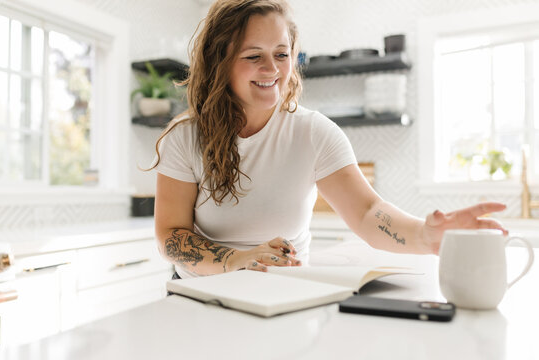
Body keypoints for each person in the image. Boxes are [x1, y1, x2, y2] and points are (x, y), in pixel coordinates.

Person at [150, 0, 507, 279]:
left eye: (281, 54)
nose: (272, 70)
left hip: (283, 296)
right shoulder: (185, 138)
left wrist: (423, 237)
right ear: (220, 62)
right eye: (253, 56)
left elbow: (368, 212)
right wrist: (238, 259)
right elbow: (171, 234)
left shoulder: (313, 132)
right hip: (199, 297)